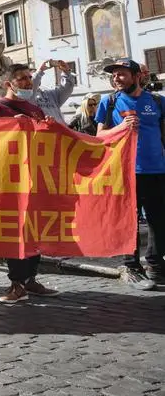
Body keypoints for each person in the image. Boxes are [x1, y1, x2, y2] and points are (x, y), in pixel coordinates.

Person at [0, 64, 60, 303]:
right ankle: (16, 283)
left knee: (34, 230)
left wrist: (48, 128)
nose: (27, 82)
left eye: (29, 78)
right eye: (21, 79)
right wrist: (8, 127)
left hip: (34, 179)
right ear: (8, 84)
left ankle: (30, 279)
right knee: (14, 233)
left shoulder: (34, 109)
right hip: (8, 183)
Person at [96, 58, 164, 290]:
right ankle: (132, 267)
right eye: (114, 74)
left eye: (122, 74)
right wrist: (121, 127)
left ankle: (155, 265)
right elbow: (99, 137)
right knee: (129, 221)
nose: (116, 78)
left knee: (158, 220)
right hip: (125, 171)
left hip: (157, 169)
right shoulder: (110, 102)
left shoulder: (157, 101)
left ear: (138, 76)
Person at [30, 59, 75, 123]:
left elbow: (67, 88)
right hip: (45, 131)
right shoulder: (27, 97)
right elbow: (32, 85)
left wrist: (66, 72)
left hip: (60, 130)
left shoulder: (49, 94)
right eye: (31, 76)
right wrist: (40, 70)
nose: (38, 77)